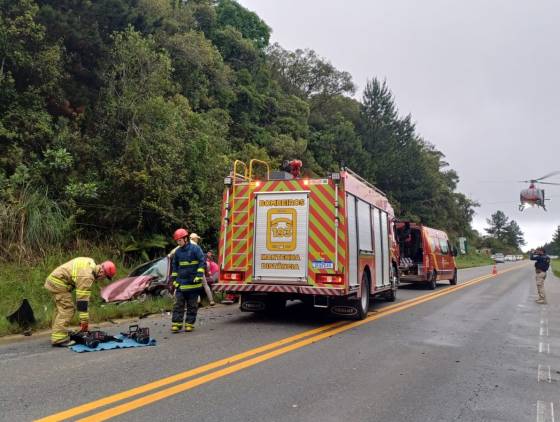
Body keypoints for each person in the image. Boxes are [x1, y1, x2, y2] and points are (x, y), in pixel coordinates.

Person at [44, 258, 116, 347]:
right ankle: (59, 339)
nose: (103, 279)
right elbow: (82, 303)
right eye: (105, 277)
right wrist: (84, 323)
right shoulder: (87, 277)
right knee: (68, 309)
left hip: (54, 280)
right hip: (58, 283)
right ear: (101, 272)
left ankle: (58, 332)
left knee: (60, 309)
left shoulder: (90, 262)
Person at [170, 228, 205, 332]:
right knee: (178, 305)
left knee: (192, 306)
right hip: (181, 284)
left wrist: (199, 275)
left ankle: (189, 324)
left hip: (194, 284)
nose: (178, 242)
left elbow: (202, 262)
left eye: (179, 240)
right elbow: (175, 266)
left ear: (185, 239)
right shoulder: (177, 252)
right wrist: (175, 280)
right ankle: (177, 324)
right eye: (177, 241)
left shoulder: (196, 249)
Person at [189, 233, 215, 306]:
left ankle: (198, 301)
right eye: (197, 238)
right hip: (199, 270)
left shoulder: (186, 247)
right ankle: (211, 300)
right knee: (205, 285)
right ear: (194, 239)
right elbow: (202, 261)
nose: (198, 239)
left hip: (191, 270)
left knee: (194, 285)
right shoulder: (197, 247)